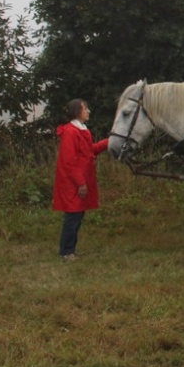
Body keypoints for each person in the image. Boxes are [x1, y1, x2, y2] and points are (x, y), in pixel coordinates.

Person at [52, 98, 109, 261]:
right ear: (77, 112)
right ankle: (66, 251)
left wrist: (107, 142)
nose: (88, 111)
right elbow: (69, 161)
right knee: (73, 216)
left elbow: (88, 151)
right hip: (73, 182)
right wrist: (80, 183)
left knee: (77, 216)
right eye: (85, 108)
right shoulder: (71, 132)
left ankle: (70, 249)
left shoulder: (81, 130)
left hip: (80, 179)